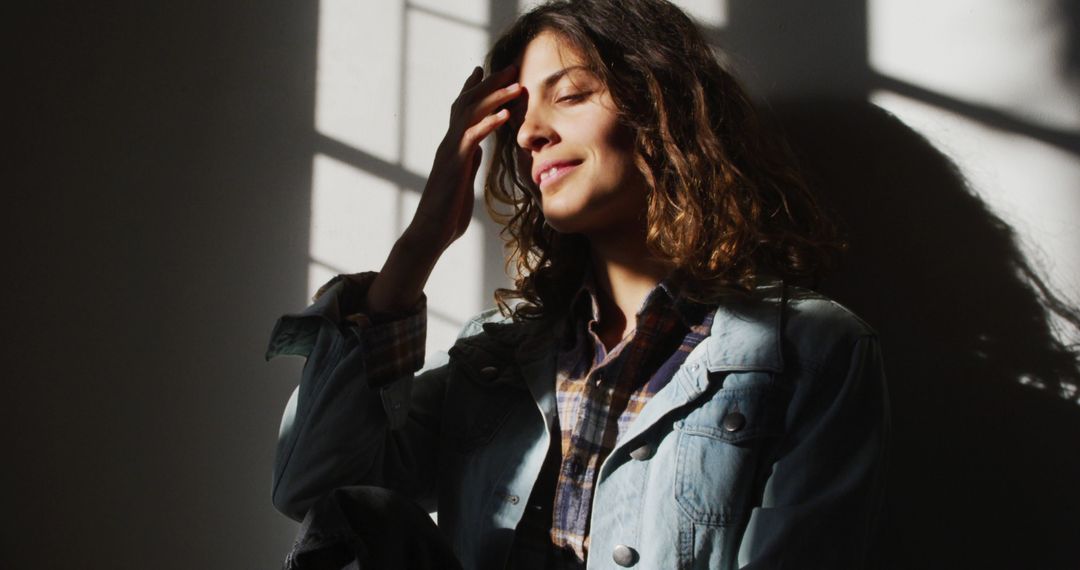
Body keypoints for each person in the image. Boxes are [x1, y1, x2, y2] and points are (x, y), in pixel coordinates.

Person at [266, 0, 889, 568]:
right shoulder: (498, 358)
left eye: (568, 96)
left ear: (660, 107)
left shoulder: (807, 349)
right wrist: (419, 246)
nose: (530, 133)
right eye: (519, 116)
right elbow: (318, 490)